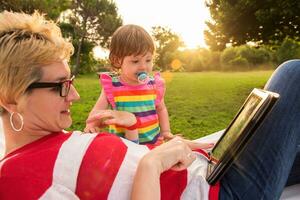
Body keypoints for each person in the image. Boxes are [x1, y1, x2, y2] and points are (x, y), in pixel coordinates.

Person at [0, 11, 299, 200]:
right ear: (10, 98)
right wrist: (152, 164)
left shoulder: (53, 137)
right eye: (61, 85)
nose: (75, 95)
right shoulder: (14, 181)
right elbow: (139, 169)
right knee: (292, 75)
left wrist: (133, 133)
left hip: (208, 173)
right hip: (220, 193)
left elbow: (116, 177)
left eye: (71, 80)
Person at [84, 24, 174, 144]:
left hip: (152, 143)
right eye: (135, 61)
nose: (143, 66)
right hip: (122, 146)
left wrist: (165, 131)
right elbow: (98, 112)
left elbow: (161, 109)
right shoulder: (112, 87)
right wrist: (92, 124)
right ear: (117, 60)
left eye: (148, 60)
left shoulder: (154, 85)